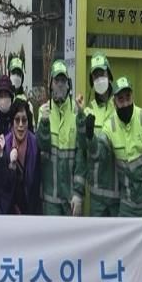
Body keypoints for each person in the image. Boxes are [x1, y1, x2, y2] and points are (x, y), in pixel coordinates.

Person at [86, 76, 142, 219]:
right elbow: (99, 154)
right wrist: (90, 137)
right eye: (121, 99)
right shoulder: (110, 126)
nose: (125, 103)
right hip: (128, 206)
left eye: (128, 97)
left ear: (133, 97)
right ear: (114, 102)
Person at [37, 60, 85, 216]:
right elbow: (42, 146)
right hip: (50, 199)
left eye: (63, 80)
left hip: (71, 199)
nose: (60, 85)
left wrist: (78, 193)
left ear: (68, 84)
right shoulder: (43, 111)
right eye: (56, 80)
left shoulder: (76, 111)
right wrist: (44, 123)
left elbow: (81, 155)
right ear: (51, 84)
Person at [76, 52, 118, 217]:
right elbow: (82, 152)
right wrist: (78, 194)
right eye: (95, 75)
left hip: (119, 194)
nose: (99, 78)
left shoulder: (120, 106)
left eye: (102, 73)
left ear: (109, 75)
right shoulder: (88, 111)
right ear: (91, 81)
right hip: (96, 197)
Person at [0, 99, 41, 215]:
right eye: (17, 120)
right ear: (12, 122)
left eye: (24, 120)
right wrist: (11, 165)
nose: (21, 125)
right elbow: (2, 184)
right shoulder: (4, 145)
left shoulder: (35, 144)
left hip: (30, 210)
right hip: (8, 210)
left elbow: (36, 185)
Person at [7, 57, 35, 129]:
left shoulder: (27, 104)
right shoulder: (4, 98)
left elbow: (31, 129)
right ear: (9, 74)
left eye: (18, 74)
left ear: (22, 78)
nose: (16, 76)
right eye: (13, 73)